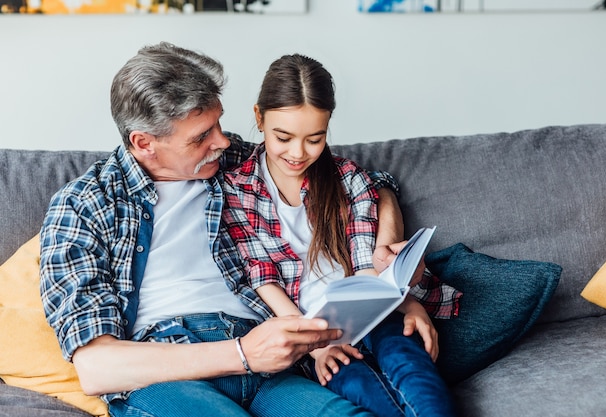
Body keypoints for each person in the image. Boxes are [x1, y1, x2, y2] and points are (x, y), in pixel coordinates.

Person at [39, 42, 406, 417]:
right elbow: (97, 368)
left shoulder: (233, 161)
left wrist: (387, 236)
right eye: (201, 136)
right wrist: (243, 353)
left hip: (270, 365)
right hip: (171, 369)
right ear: (144, 143)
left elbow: (367, 180)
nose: (222, 140)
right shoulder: (84, 205)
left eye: (218, 123)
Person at [221, 54, 461, 417]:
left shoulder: (348, 178)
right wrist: (313, 346)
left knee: (413, 372)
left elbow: (367, 266)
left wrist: (405, 301)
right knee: (367, 392)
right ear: (259, 118)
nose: (298, 153)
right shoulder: (237, 191)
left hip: (374, 312)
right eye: (283, 137)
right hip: (313, 331)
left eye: (314, 139)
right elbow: (262, 277)